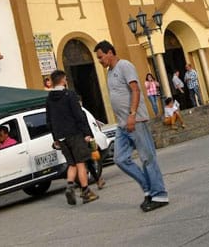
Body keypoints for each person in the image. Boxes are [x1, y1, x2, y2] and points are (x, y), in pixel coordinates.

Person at [94, 40, 169, 212]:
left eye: (100, 57)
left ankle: (160, 194)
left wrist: (132, 115)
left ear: (110, 52)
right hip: (122, 125)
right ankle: (148, 188)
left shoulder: (124, 66)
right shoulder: (109, 72)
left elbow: (135, 90)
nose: (99, 61)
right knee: (120, 159)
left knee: (147, 158)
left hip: (135, 121)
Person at [45, 69, 99, 205]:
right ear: (63, 80)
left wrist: (55, 138)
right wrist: (87, 133)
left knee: (71, 163)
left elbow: (49, 120)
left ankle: (70, 186)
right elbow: (78, 115)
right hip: (74, 133)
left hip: (60, 136)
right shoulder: (69, 94)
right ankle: (86, 192)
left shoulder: (49, 99)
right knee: (80, 163)